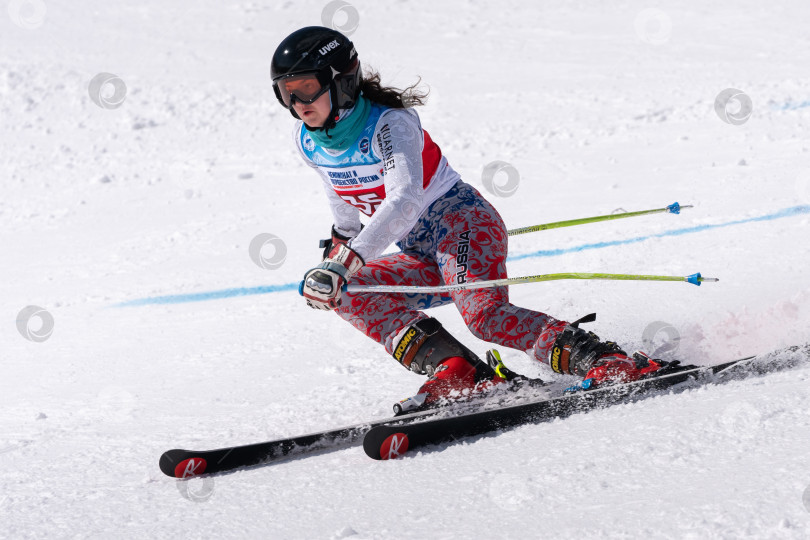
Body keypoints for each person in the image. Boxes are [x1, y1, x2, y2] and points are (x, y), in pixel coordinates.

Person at [270, 26, 669, 411]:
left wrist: (348, 260)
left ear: (341, 80)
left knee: (485, 317)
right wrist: (333, 264)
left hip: (463, 225)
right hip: (422, 252)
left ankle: (607, 360)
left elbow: (406, 200)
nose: (298, 101)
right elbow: (344, 211)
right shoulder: (307, 140)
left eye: (307, 86)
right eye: (286, 92)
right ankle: (459, 372)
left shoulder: (390, 123)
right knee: (350, 291)